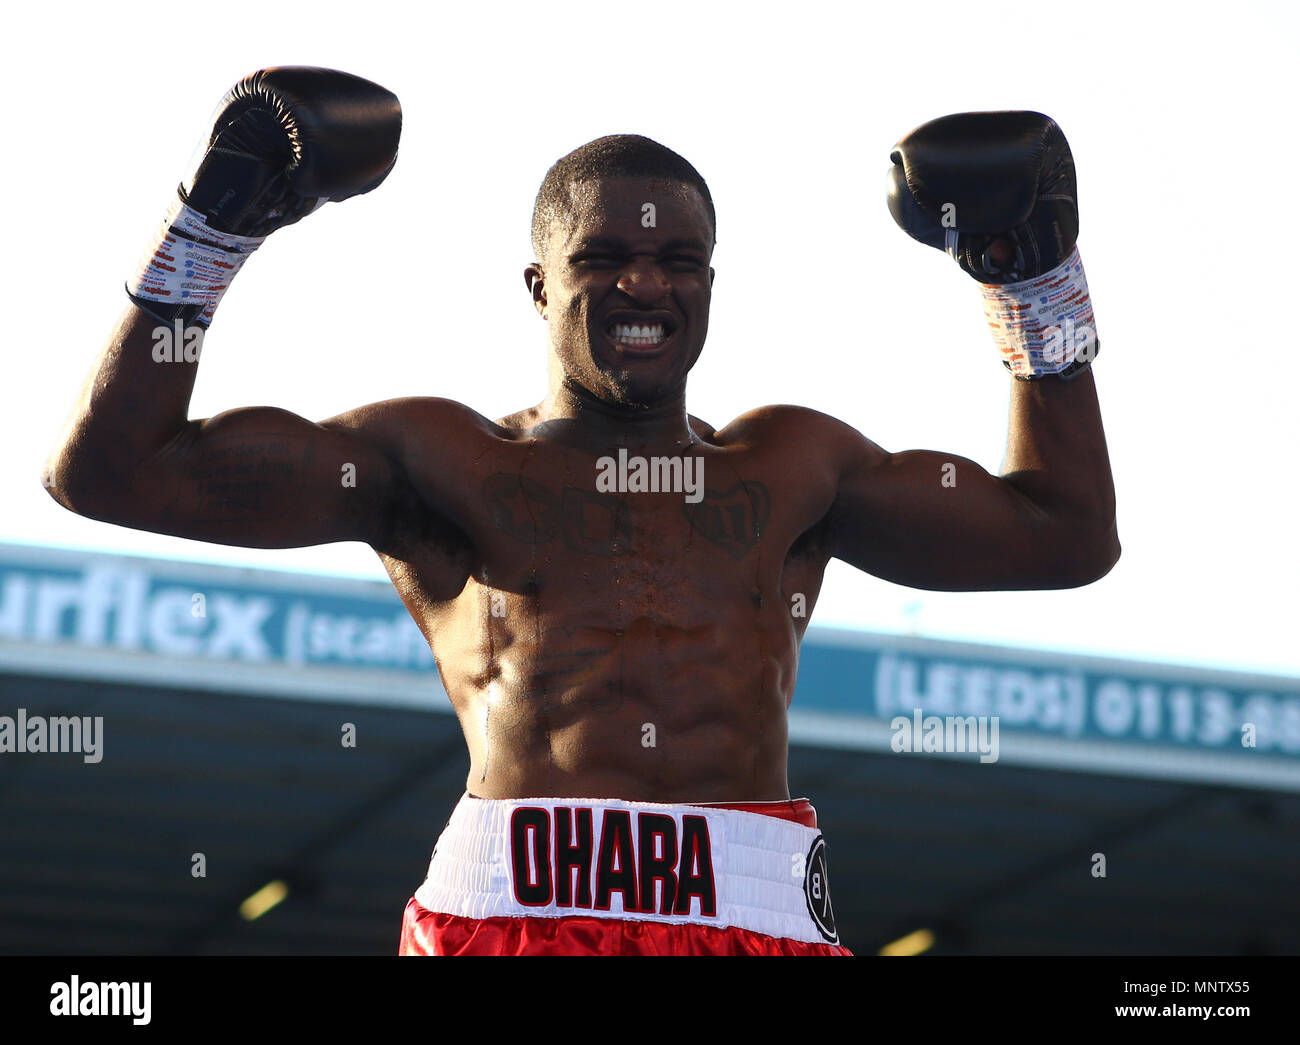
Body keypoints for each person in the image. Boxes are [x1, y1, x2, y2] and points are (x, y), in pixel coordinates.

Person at [43, 68, 1118, 956]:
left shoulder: (793, 463)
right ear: (540, 286)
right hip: (509, 910)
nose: (644, 284)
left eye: (676, 262)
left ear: (708, 283)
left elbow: (1064, 537)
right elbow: (113, 474)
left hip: (753, 905)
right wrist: (212, 229)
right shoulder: (436, 456)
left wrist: (1030, 286)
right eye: (602, 260)